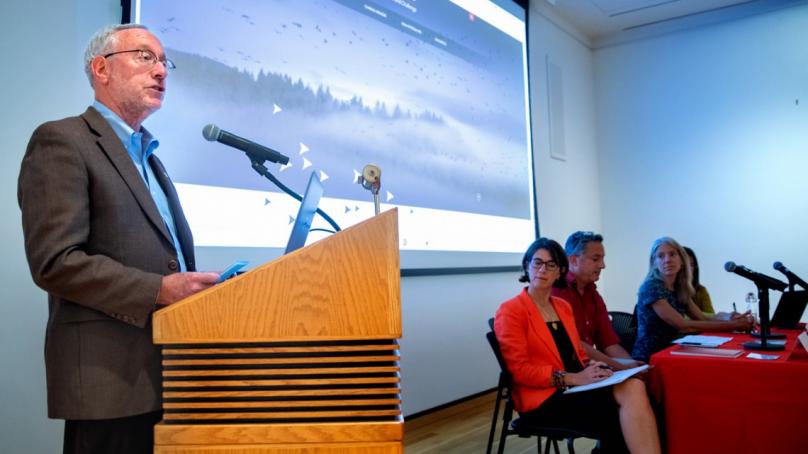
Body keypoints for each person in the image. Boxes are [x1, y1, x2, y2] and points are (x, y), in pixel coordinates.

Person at [18, 24, 221, 454]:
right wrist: (159, 289)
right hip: (109, 381)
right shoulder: (63, 140)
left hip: (170, 372)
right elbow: (56, 260)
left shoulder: (151, 157)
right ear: (101, 68)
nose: (161, 71)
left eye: (165, 61)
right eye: (145, 57)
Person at [495, 238, 661, 454]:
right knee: (621, 413)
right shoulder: (511, 310)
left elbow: (578, 354)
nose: (542, 269)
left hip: (576, 386)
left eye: (551, 264)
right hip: (544, 399)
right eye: (537, 262)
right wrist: (573, 378)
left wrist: (596, 369)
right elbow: (519, 371)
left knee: (636, 387)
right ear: (527, 266)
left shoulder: (562, 307)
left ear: (560, 271)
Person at [631, 237, 753, 362]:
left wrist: (730, 318)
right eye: (660, 256)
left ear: (682, 260)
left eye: (672, 254)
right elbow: (683, 326)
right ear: (654, 263)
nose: (667, 260)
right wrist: (732, 326)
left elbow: (702, 317)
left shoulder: (679, 287)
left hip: (673, 351)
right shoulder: (651, 286)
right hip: (650, 357)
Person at [552, 231, 641, 370]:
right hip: (566, 372)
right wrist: (621, 367)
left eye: (602, 259)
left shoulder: (593, 294)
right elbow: (576, 345)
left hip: (591, 367)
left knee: (637, 381)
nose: (602, 265)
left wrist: (633, 367)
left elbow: (608, 343)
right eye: (595, 259)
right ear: (573, 260)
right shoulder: (557, 292)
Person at [683, 246, 715, 315]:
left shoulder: (700, 290)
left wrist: (725, 317)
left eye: (691, 265)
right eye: (684, 265)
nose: (688, 269)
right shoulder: (665, 289)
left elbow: (710, 316)